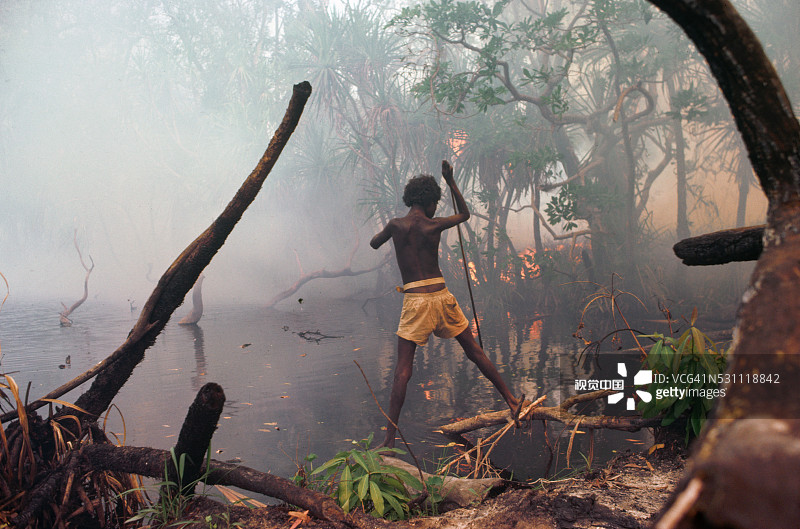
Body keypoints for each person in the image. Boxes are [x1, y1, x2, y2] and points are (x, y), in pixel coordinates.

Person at [370, 160, 520, 448]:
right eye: (436, 202)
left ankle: (389, 439)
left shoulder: (395, 225)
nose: (436, 208)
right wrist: (451, 181)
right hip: (440, 295)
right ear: (428, 201)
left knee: (403, 371)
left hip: (415, 300)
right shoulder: (434, 224)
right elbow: (464, 214)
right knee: (474, 351)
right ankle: (512, 401)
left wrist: (387, 236)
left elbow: (374, 243)